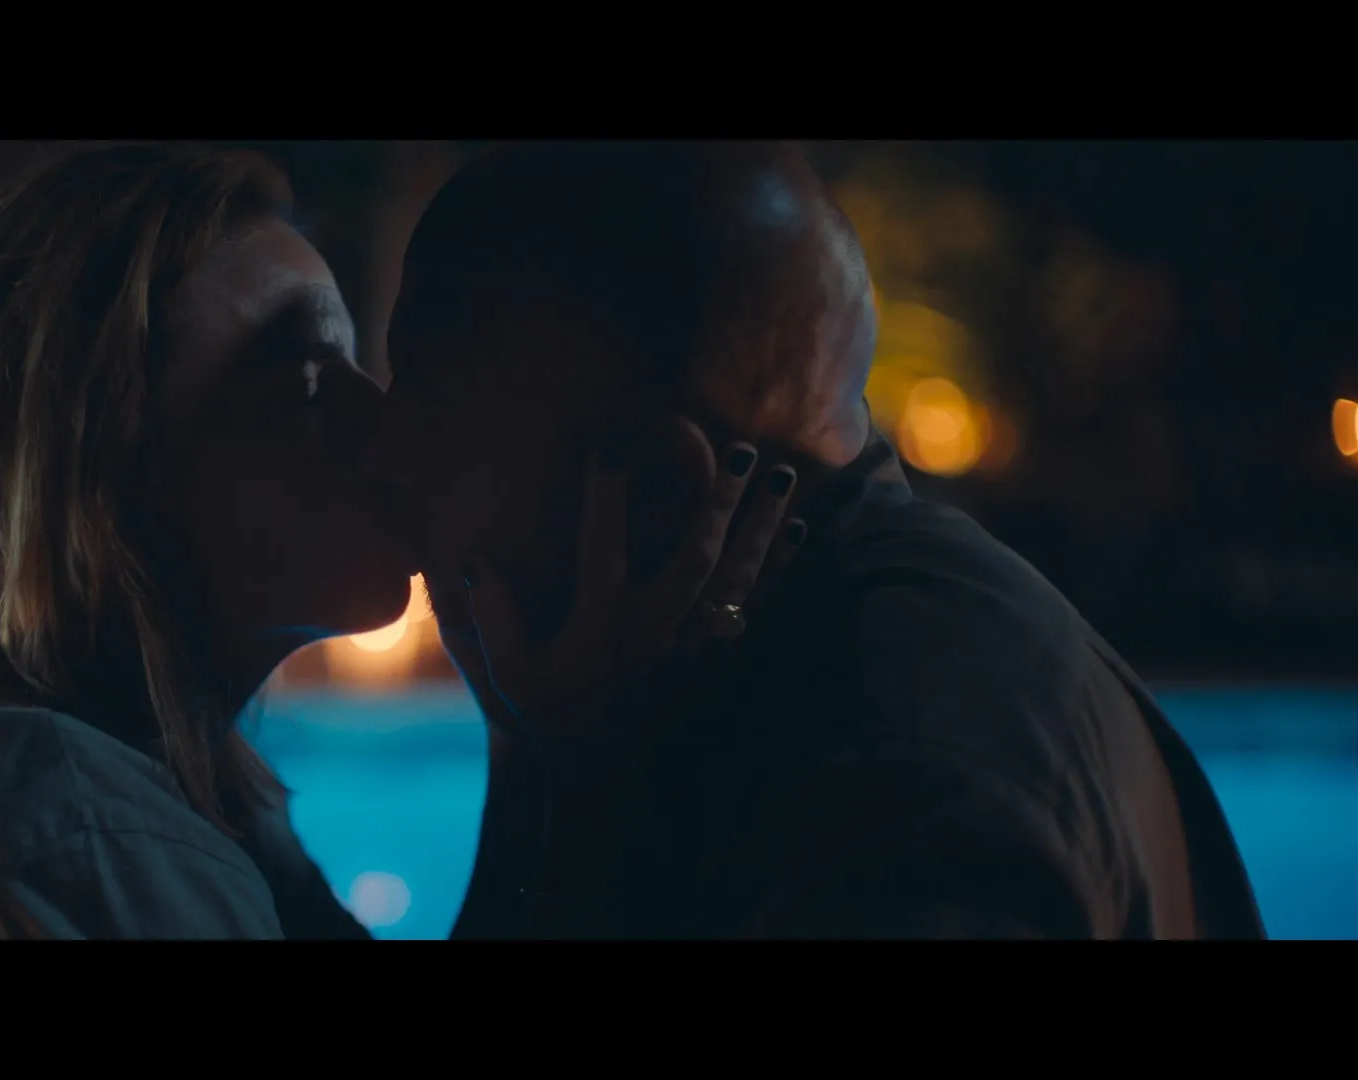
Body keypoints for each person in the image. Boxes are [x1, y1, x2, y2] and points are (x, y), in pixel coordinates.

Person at [0, 142, 800, 939]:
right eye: (304, 378)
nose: (383, 418)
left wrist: (535, 752)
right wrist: (597, 778)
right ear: (95, 475)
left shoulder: (173, 797)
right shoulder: (67, 833)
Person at [368, 140, 1267, 938]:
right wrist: (547, 762)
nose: (383, 452)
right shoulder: (802, 661)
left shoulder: (905, 795)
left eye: (427, 401)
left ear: (659, 488)